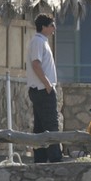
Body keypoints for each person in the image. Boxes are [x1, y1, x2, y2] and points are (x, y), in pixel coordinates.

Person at [27, 14, 62, 163]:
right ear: (44, 27)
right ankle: (55, 159)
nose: (54, 28)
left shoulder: (43, 42)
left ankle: (40, 159)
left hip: (42, 89)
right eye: (51, 25)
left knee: (41, 126)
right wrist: (48, 85)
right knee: (51, 125)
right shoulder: (37, 41)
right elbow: (36, 64)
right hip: (42, 89)